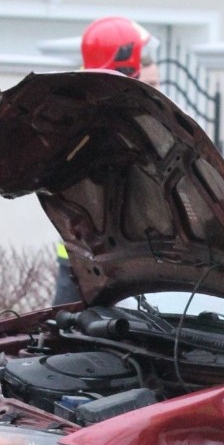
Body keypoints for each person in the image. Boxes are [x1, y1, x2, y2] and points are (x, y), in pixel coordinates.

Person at [52, 16, 159, 306]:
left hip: (91, 263)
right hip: (105, 267)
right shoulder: (105, 122)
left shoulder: (72, 109)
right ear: (126, 65)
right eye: (148, 82)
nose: (156, 91)